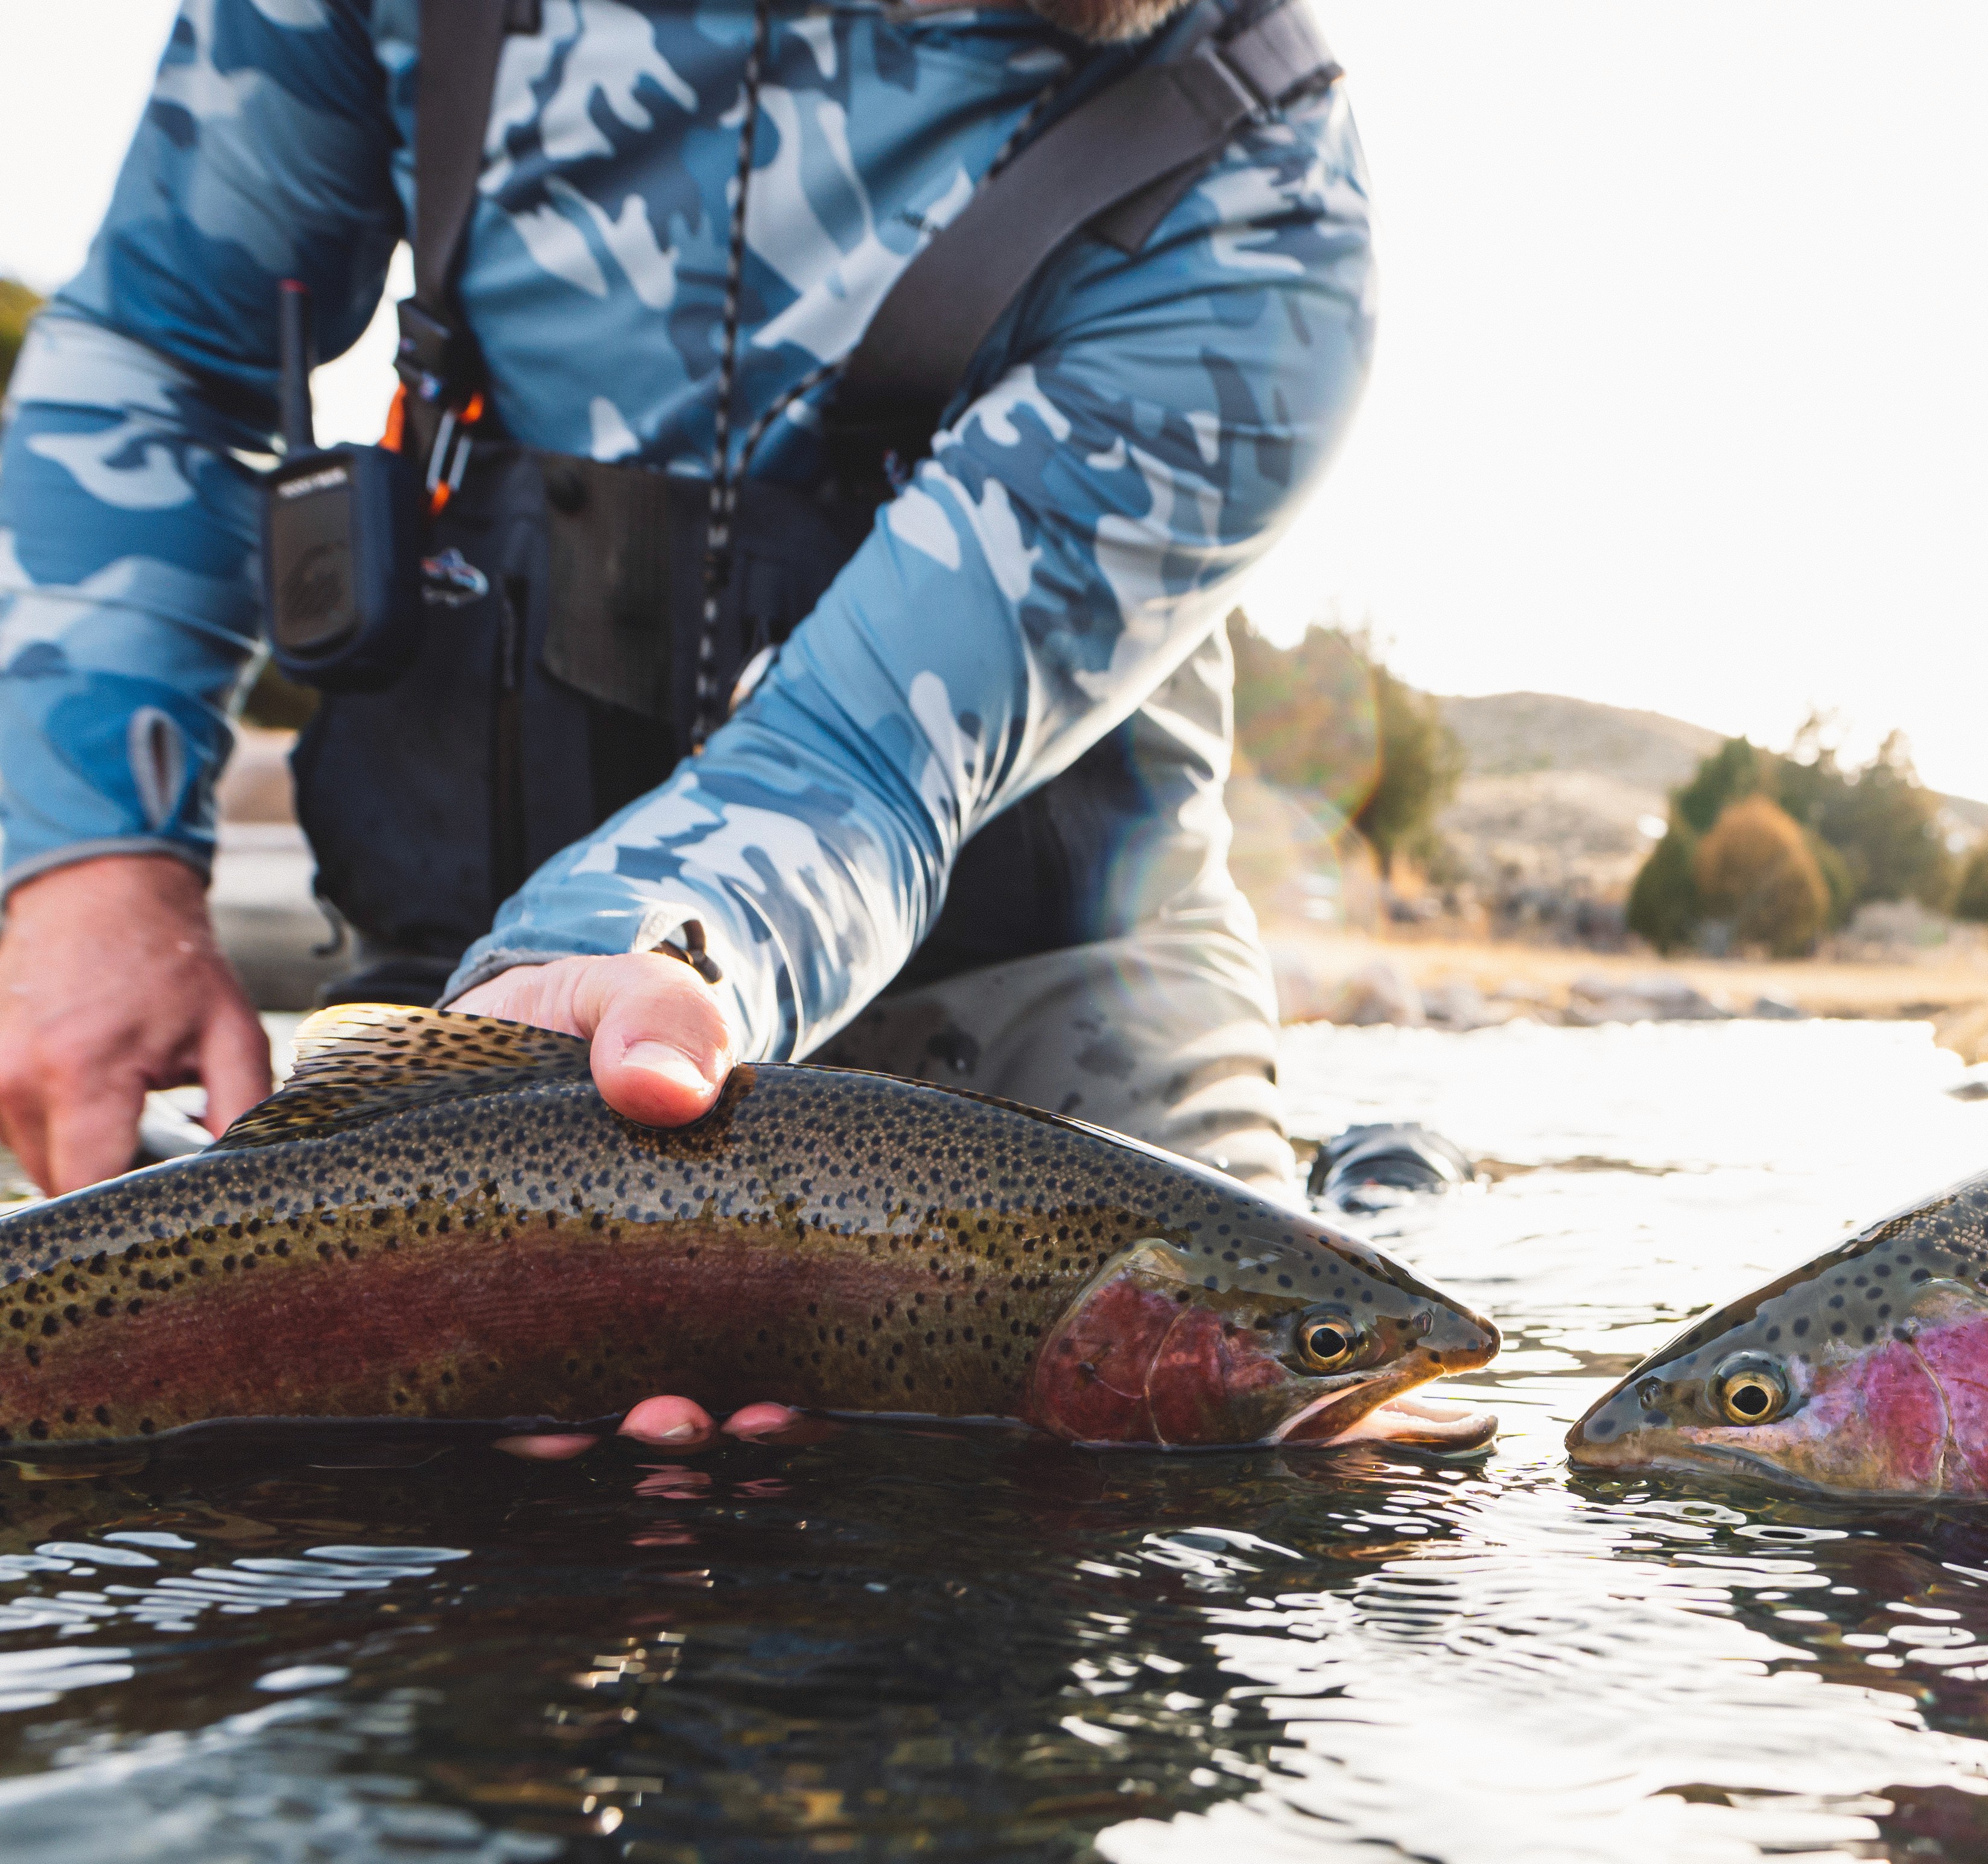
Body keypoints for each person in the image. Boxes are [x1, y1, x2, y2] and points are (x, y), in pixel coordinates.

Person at [0, 0, 1370, 1445]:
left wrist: (634, 967)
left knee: (1264, 1483)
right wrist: (93, 861)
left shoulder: (1259, 186)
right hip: (485, 1033)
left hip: (1040, 1019)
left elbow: (851, 760)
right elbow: (165, 350)